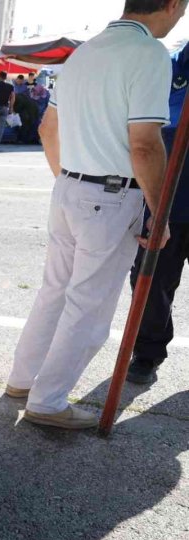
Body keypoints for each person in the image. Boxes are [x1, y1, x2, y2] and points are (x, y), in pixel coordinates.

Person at [6, 0, 185, 429]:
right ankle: (47, 401)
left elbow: (48, 130)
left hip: (70, 186)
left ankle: (22, 380)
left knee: (54, 292)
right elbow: (144, 145)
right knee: (87, 308)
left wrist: (70, 181)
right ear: (172, 4)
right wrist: (160, 216)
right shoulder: (149, 54)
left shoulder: (85, 51)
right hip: (109, 194)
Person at [127, 41, 189, 384]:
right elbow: (151, 128)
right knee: (149, 283)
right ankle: (148, 352)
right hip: (168, 202)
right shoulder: (166, 66)